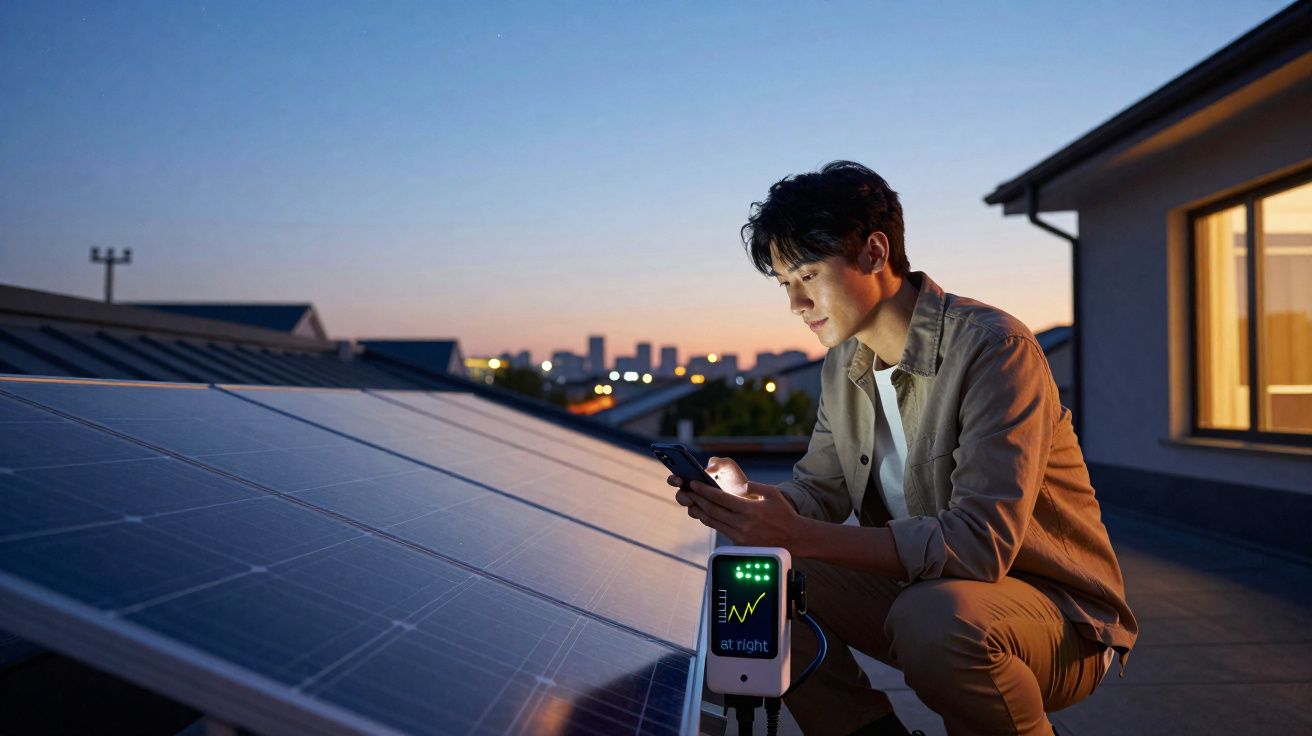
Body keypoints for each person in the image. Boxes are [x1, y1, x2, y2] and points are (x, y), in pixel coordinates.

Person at [667, 161, 1136, 736]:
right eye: (785, 284)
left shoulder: (994, 348)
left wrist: (797, 534)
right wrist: (749, 500)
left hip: (1055, 618)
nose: (796, 304)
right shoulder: (844, 364)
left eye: (809, 275)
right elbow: (817, 492)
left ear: (873, 252)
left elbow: (978, 546)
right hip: (933, 597)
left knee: (933, 620)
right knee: (754, 580)